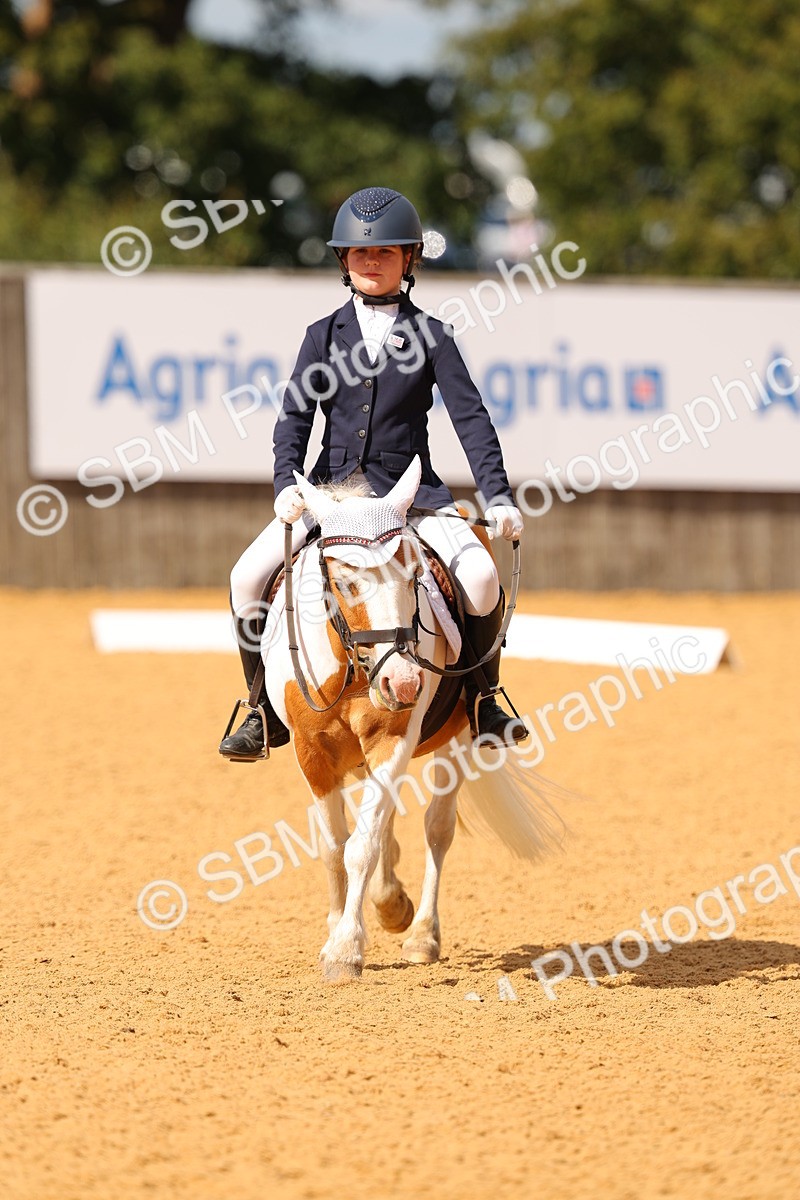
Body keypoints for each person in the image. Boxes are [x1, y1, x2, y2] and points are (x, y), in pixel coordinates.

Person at [219, 186, 526, 762]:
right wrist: (288, 483)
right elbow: (293, 417)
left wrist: (498, 494)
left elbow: (471, 419)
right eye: (360, 254)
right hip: (331, 495)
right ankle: (260, 709)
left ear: (409, 258)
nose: (371, 261)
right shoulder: (321, 335)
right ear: (343, 260)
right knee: (244, 578)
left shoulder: (433, 335)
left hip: (412, 498)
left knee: (482, 578)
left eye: (384, 252)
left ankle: (485, 699)